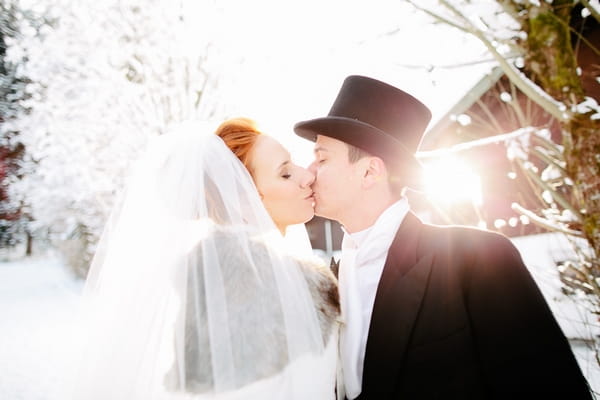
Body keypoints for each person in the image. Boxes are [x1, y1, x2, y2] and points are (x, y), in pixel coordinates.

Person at [294, 75, 593, 399]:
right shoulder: (334, 278)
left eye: (321, 158)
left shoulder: (479, 259)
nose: (308, 172)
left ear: (370, 172)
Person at [66, 119, 339, 400]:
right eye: (285, 174)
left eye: (292, 164)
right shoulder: (248, 289)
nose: (307, 175)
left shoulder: (260, 276)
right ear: (243, 199)